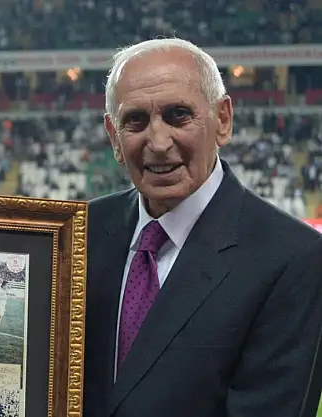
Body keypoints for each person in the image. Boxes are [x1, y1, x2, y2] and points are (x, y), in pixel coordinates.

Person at [84, 37, 322, 417]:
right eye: (136, 120)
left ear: (222, 120)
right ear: (114, 136)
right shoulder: (81, 233)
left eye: (178, 115)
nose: (158, 142)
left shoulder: (292, 258)